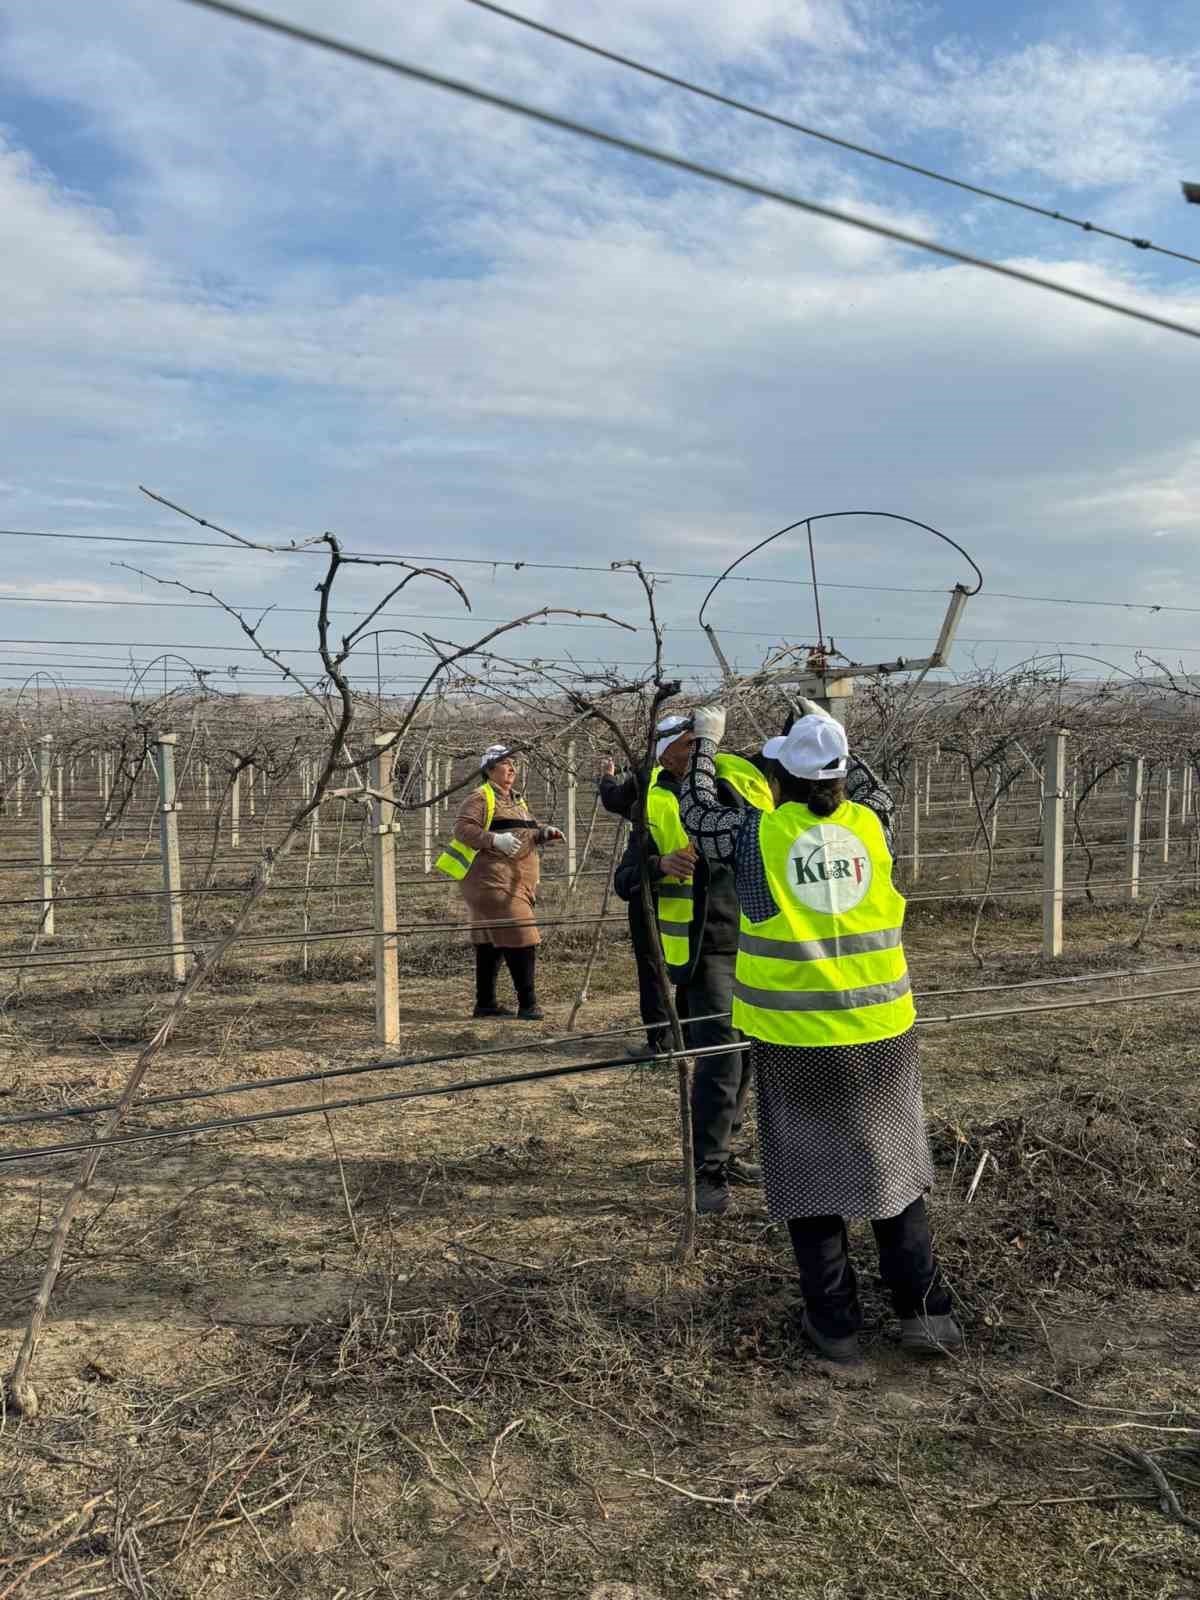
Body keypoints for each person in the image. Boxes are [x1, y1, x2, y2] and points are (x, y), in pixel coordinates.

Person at [679, 701, 962, 1363]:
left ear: (778, 780)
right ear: (838, 776)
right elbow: (874, 787)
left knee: (810, 1179)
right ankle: (926, 1315)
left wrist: (705, 742)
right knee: (894, 1170)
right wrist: (828, 726)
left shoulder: (757, 836)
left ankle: (834, 1326)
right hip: (882, 1030)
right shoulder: (872, 823)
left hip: (796, 1039)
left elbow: (697, 813)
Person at [608, 714, 774, 1216]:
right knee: (721, 1053)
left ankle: (728, 1143)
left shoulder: (734, 784)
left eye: (703, 741)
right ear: (665, 752)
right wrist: (659, 865)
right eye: (689, 742)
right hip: (703, 949)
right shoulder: (654, 802)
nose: (701, 749)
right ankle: (708, 1168)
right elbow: (624, 879)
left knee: (748, 1048)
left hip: (756, 937)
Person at [436, 744, 563, 1020]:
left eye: (513, 763)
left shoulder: (516, 800)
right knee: (522, 935)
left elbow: (525, 831)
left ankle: (485, 1003)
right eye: (505, 763)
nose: (512, 768)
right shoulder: (480, 797)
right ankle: (528, 1004)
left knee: (490, 939)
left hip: (513, 881)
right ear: (489, 769)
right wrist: (493, 839)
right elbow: (462, 829)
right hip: (493, 881)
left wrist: (544, 833)